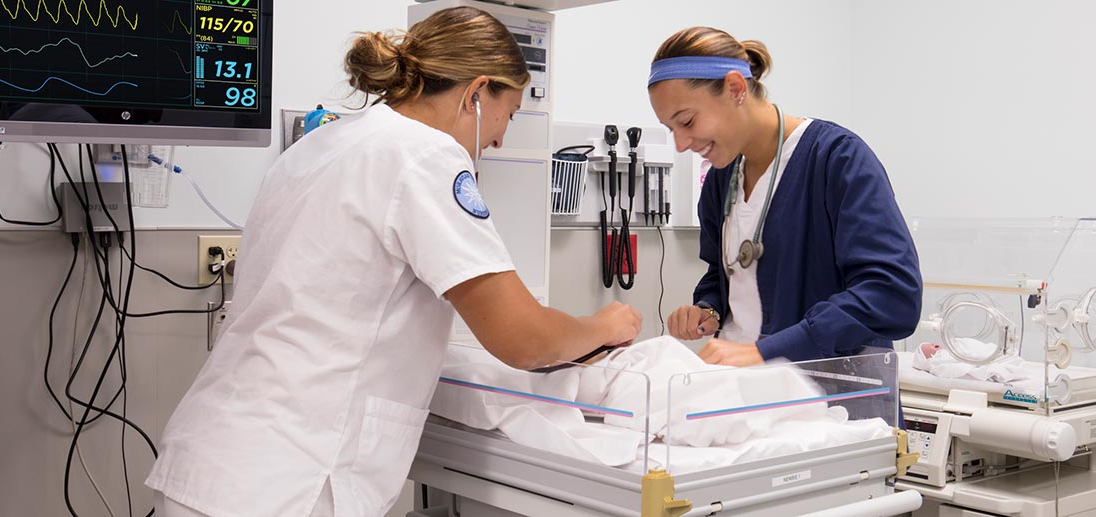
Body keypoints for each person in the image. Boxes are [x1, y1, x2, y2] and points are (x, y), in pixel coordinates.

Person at [144, 7, 641, 516]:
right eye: (509, 113)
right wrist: (600, 325)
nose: (500, 138)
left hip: (218, 460)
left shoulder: (323, 144)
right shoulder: (425, 155)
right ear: (476, 92)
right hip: (288, 480)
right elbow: (523, 340)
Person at [650, 27, 921, 367]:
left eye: (687, 121)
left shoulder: (836, 158)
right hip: (744, 393)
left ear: (735, 88)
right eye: (670, 129)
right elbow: (724, 276)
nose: (680, 143)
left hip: (832, 401)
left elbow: (891, 295)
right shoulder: (722, 179)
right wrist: (709, 308)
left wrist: (767, 351)